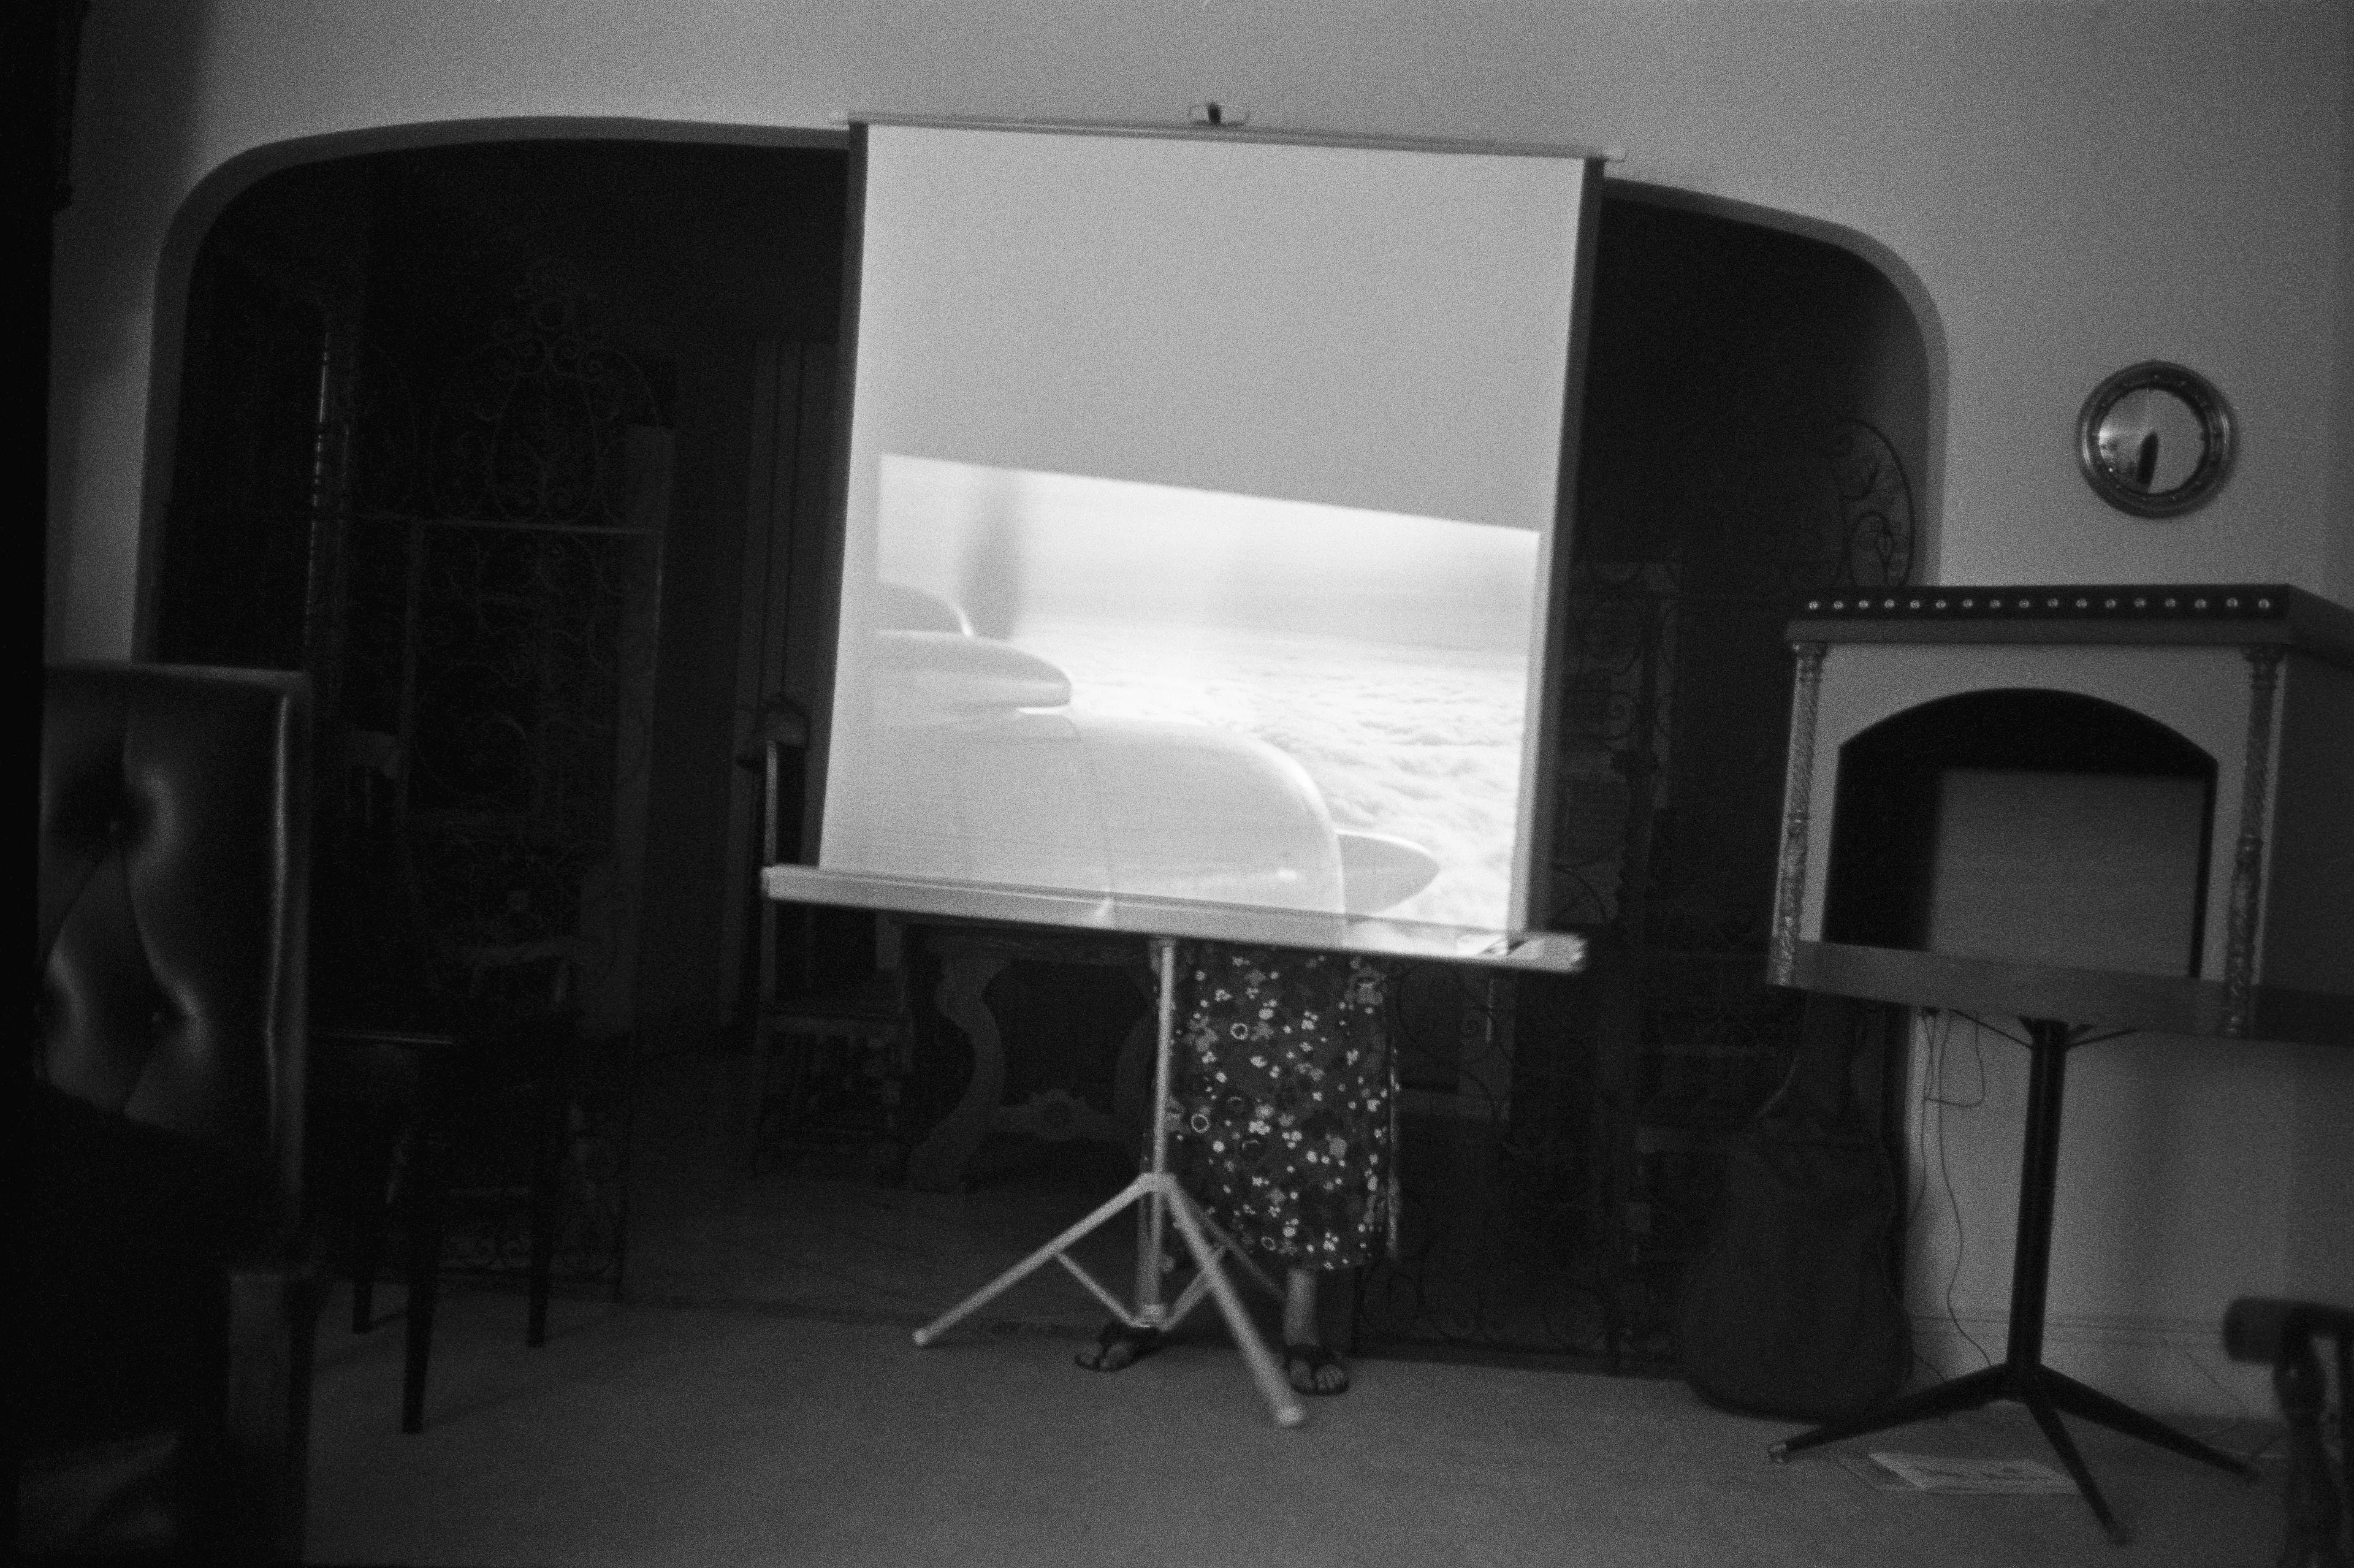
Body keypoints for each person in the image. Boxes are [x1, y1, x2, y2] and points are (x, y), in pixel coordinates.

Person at [1076, 941, 1398, 1395]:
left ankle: (1301, 1327)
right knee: (1188, 1101)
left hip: (1326, 924)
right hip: (1217, 910)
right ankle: (1146, 1306)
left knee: (1317, 1108)